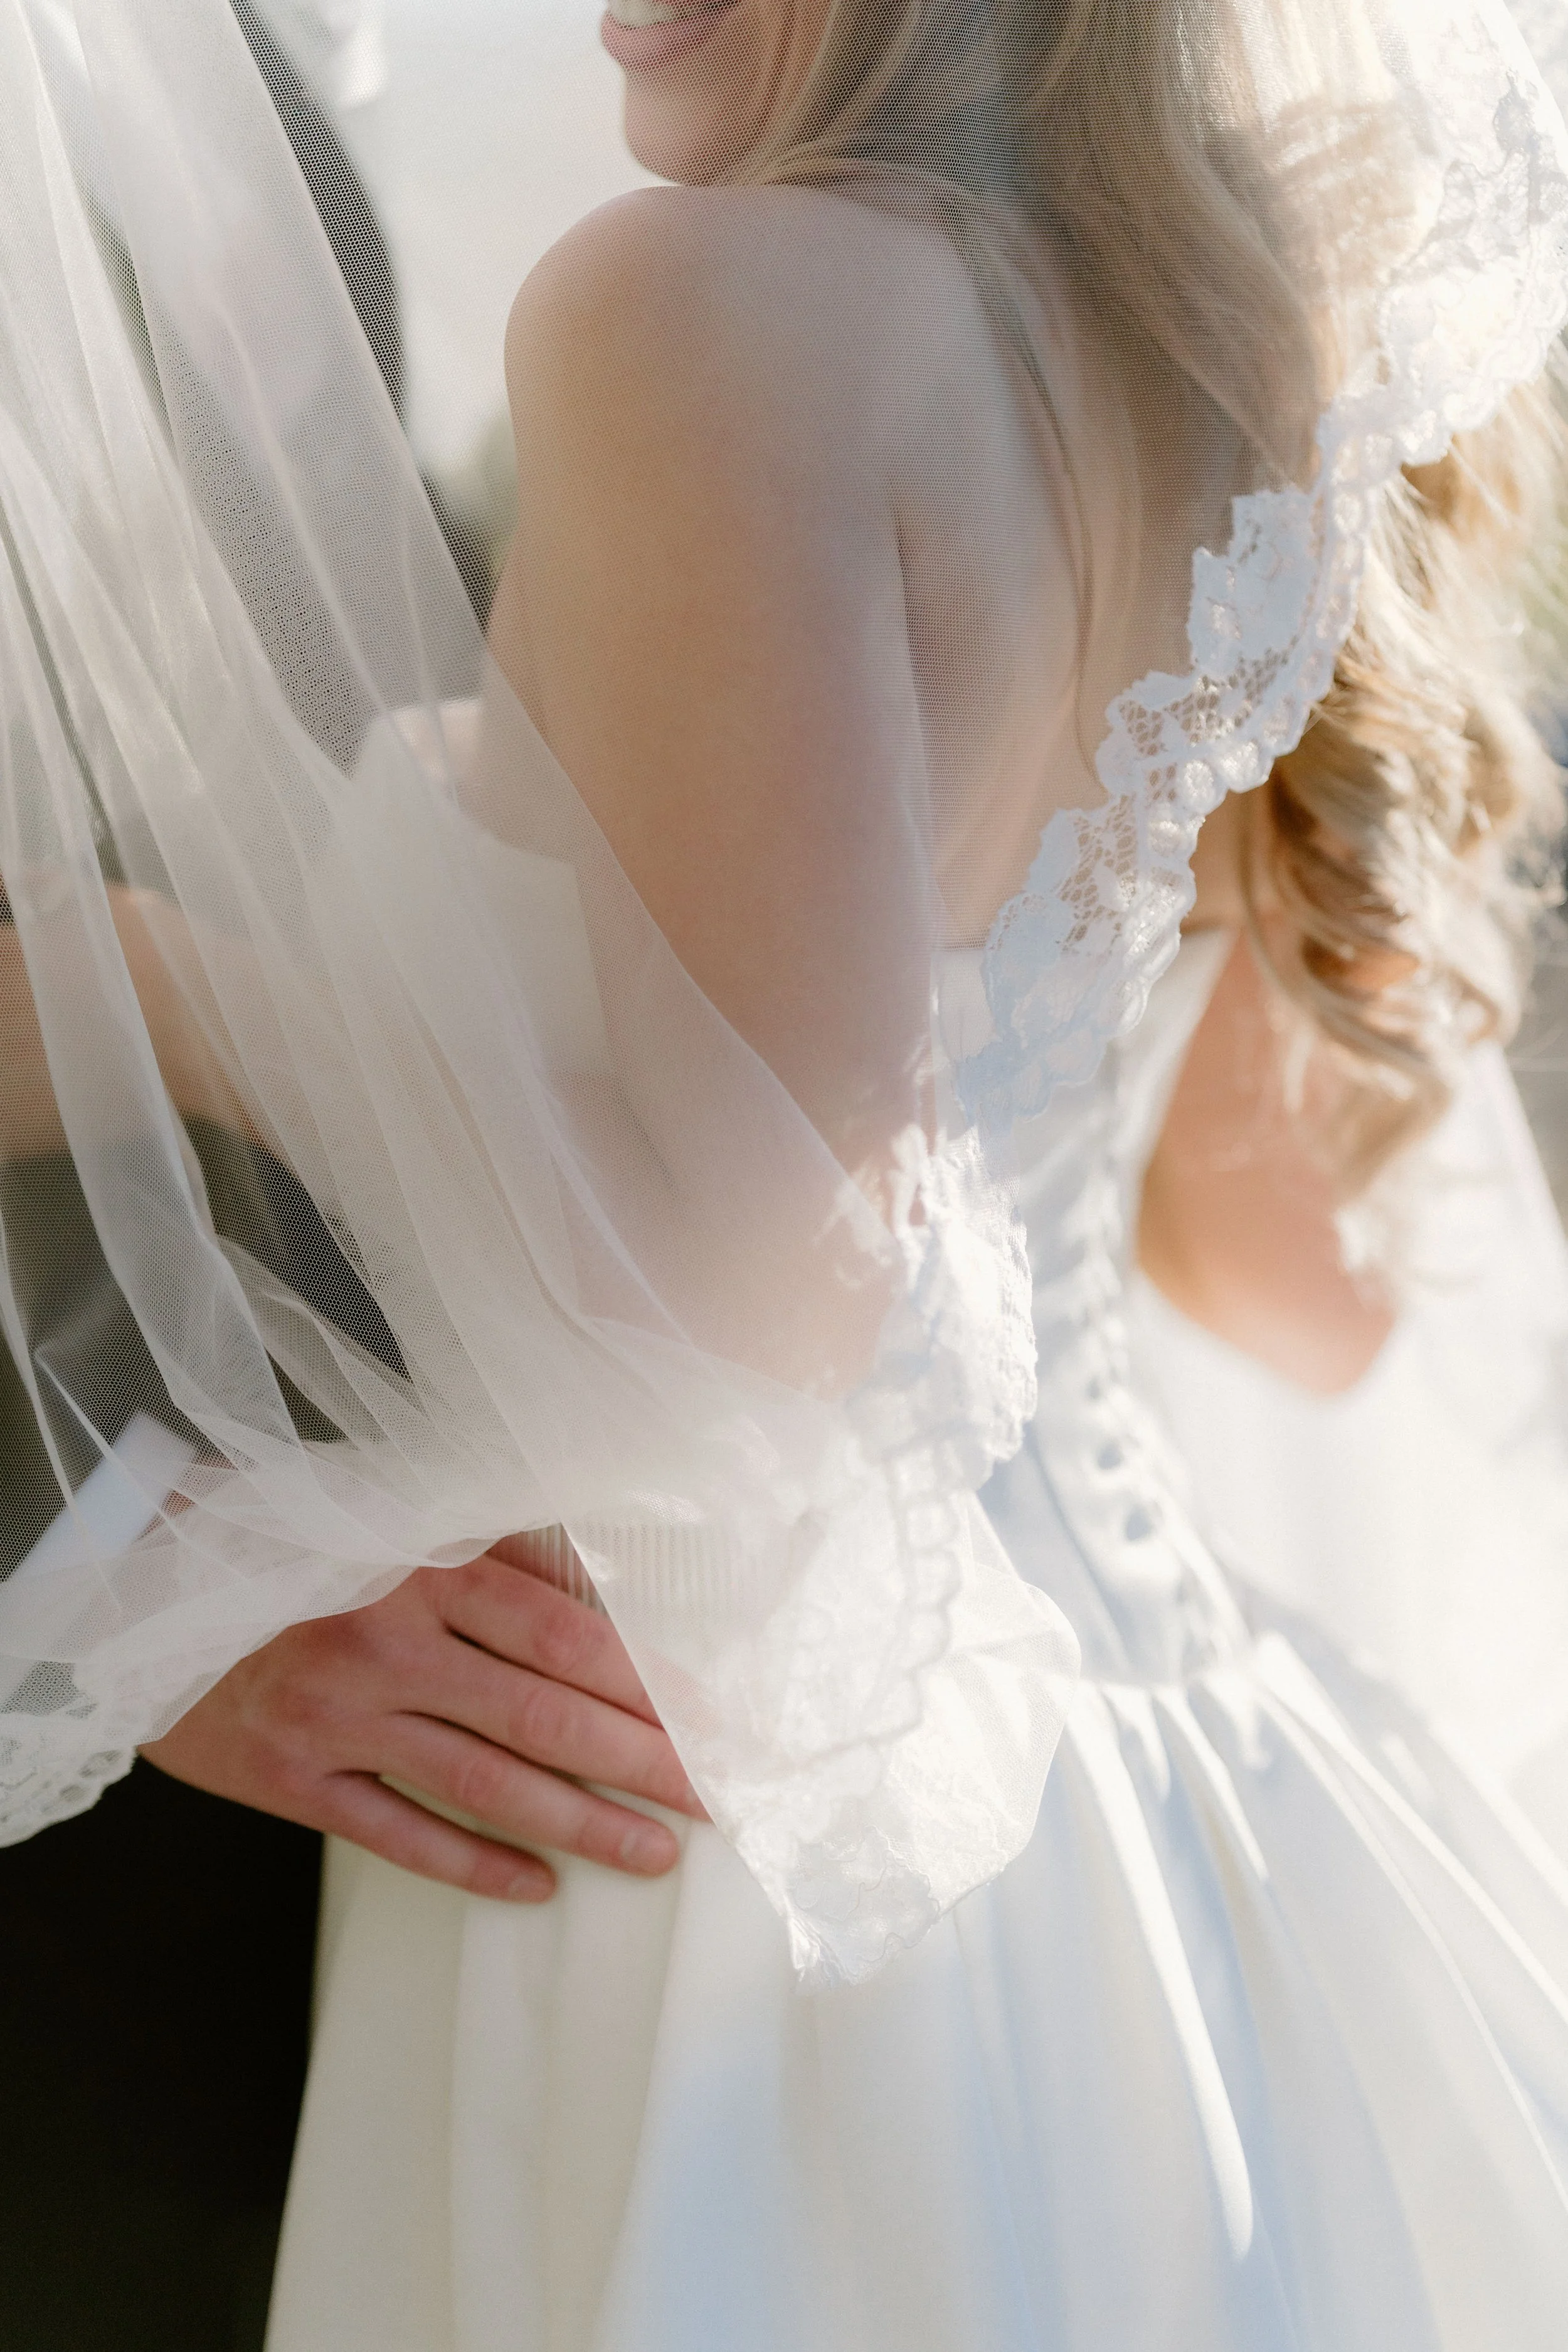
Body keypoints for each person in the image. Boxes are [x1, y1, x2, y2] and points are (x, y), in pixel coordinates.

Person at [8, 1, 1568, 2348]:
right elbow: (1279, 1276)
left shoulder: (704, 308)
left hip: (725, 1881)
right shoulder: (1225, 334)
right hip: (1165, 1820)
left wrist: (165, 996)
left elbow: (766, 1292)